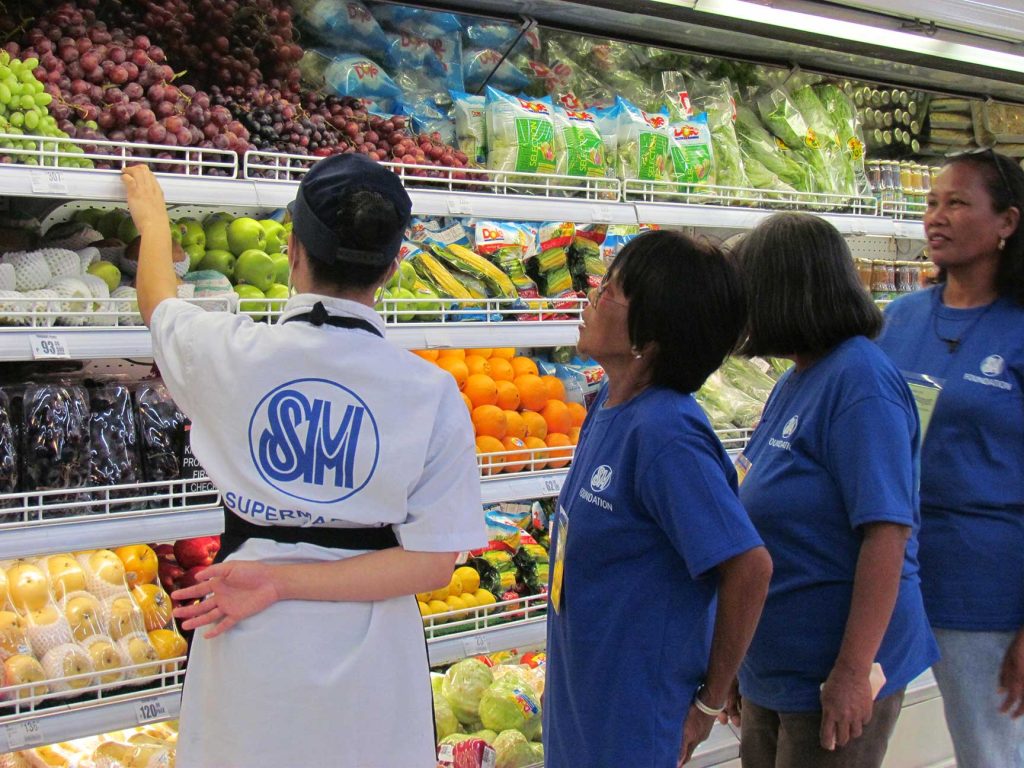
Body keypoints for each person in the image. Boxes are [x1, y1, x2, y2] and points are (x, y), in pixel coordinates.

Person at [120, 155, 486, 767]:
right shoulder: (430, 392)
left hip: (240, 633)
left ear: (291, 250)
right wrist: (287, 580)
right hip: (371, 660)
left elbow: (158, 302)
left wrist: (153, 221)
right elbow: (432, 565)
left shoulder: (228, 350)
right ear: (393, 266)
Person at [543, 230, 773, 768]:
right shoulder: (608, 404)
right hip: (584, 704)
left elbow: (749, 569)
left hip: (633, 717)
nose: (591, 297)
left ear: (651, 333)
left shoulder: (666, 435)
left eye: (609, 292)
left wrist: (708, 703)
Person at [730, 213, 938, 768]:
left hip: (832, 681)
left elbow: (887, 534)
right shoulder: (795, 380)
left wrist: (851, 672)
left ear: (784, 291)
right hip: (775, 672)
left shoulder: (861, 382)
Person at [878, 148, 1024, 767]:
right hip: (893, 573)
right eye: (932, 202)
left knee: (991, 754)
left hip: (988, 587)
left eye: (958, 203)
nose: (936, 216)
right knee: (852, 743)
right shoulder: (900, 318)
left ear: (1007, 223)